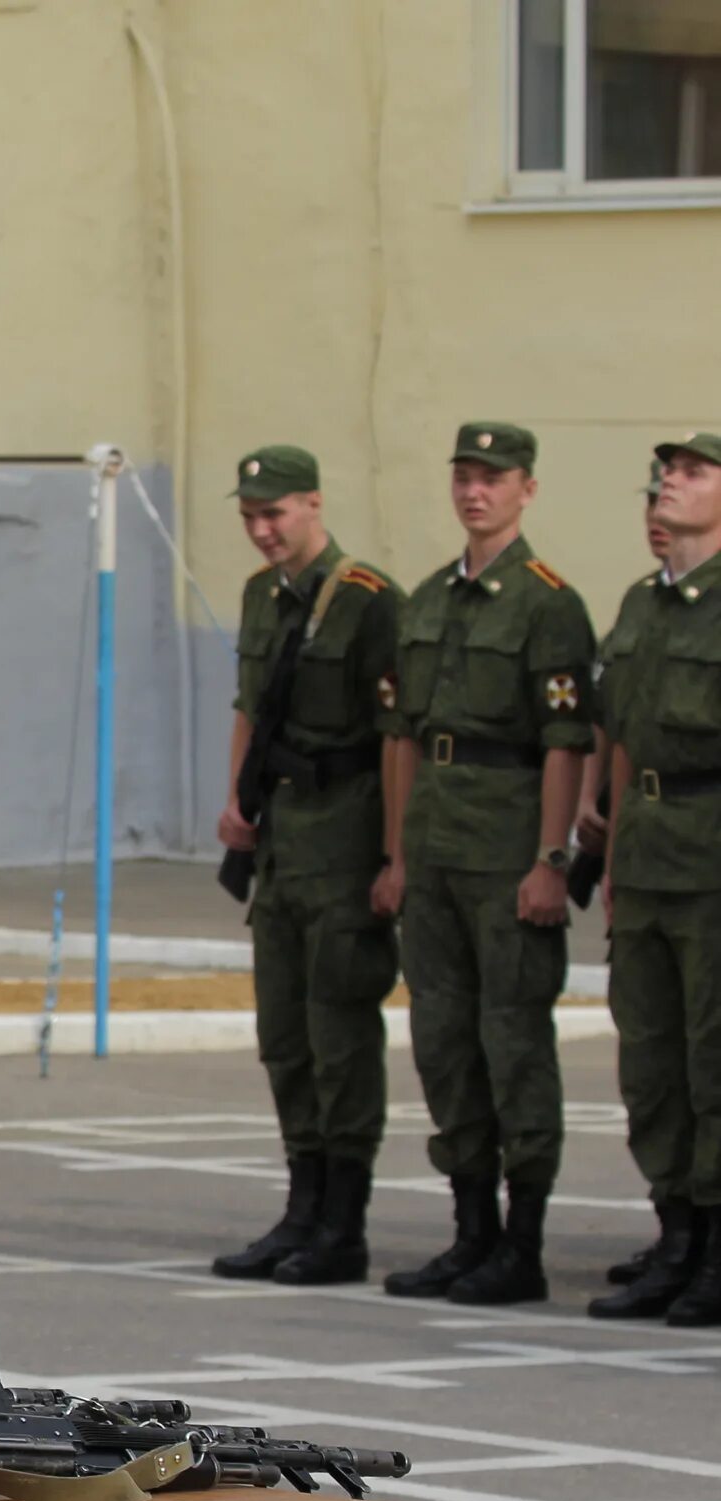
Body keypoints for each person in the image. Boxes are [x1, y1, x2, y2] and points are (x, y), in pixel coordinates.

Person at [381, 422, 599, 1304]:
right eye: (465, 476)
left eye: (494, 478)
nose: (476, 492)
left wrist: (553, 857)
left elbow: (565, 741)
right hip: (433, 847)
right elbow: (398, 736)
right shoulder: (427, 599)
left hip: (507, 845)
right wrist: (395, 852)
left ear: (526, 490)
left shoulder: (548, 602)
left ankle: (523, 1240)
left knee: (513, 1042)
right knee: (444, 1041)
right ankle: (470, 1229)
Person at [208, 446, 406, 1285]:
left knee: (339, 1035)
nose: (262, 531)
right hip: (284, 841)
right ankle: (302, 1205)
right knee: (284, 1036)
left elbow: (396, 738)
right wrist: (237, 803)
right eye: (251, 516)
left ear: (313, 505)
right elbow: (251, 709)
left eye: (275, 514)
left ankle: (343, 1221)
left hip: (346, 834)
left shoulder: (367, 602)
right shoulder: (262, 595)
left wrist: (396, 853)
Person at [589, 432, 721, 1321]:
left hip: (712, 854)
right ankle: (675, 1231)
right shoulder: (643, 601)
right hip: (645, 852)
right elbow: (623, 729)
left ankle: (715, 1242)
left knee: (714, 1059)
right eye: (666, 471)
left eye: (693, 471)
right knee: (652, 1060)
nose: (669, 482)